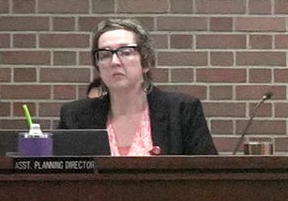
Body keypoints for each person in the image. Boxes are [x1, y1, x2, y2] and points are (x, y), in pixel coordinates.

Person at [56, 18, 217, 156]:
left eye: (125, 52)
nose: (114, 62)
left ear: (145, 62)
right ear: (98, 66)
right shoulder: (75, 116)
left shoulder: (181, 111)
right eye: (105, 55)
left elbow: (208, 174)